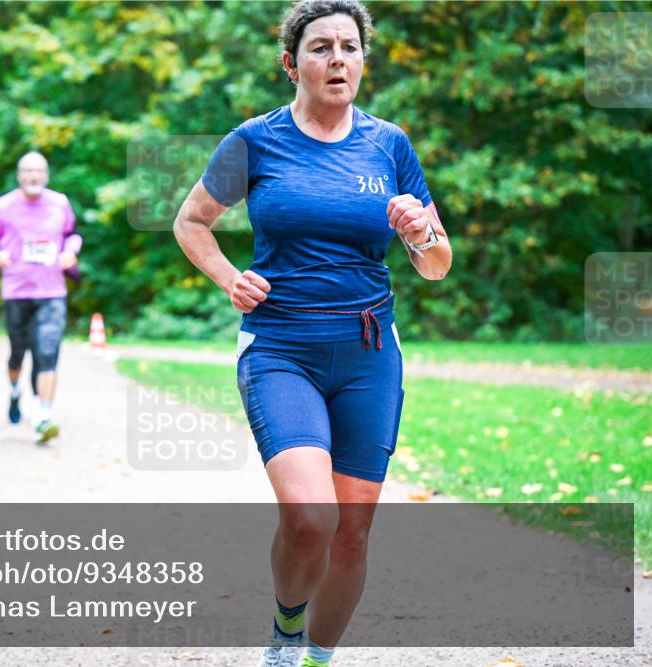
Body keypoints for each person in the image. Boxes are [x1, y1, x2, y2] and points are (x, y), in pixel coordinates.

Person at [172, 1, 452, 665]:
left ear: (363, 61)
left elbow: (438, 264)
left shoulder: (389, 145)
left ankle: (317, 660)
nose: (337, 60)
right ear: (290, 64)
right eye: (321, 47)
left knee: (351, 533)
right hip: (280, 348)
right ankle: (285, 631)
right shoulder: (255, 141)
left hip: (367, 352)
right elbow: (191, 221)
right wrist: (229, 277)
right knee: (309, 519)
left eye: (349, 48)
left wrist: (421, 232)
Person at [0, 151, 81, 444]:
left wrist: (70, 251)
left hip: (52, 292)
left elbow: (72, 235)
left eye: (39, 171)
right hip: (16, 292)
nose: (33, 175)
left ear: (46, 175)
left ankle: (44, 415)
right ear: (19, 175)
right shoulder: (3, 206)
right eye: (28, 171)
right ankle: (14, 392)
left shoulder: (60, 203)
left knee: (47, 352)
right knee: (18, 353)